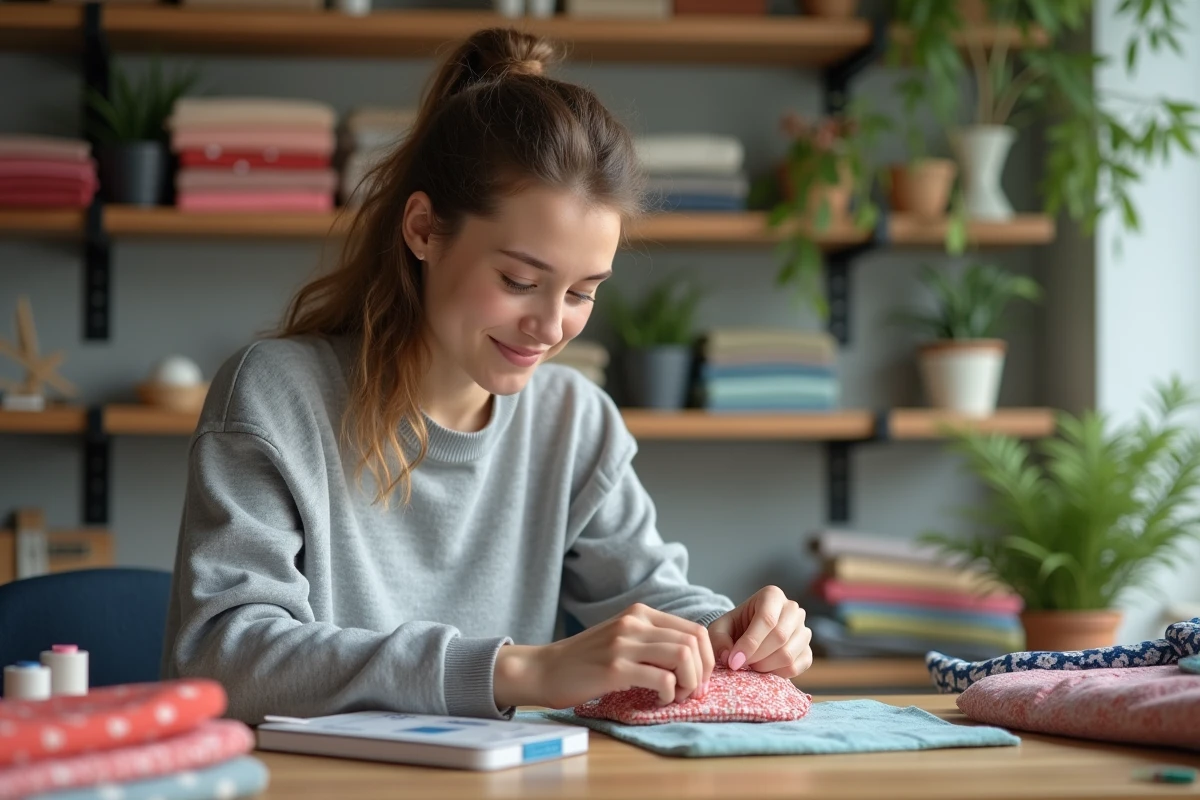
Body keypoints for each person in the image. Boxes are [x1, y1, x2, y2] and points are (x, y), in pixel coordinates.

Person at [161, 27, 813, 724]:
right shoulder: (275, 395)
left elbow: (650, 596)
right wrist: (518, 671)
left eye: (582, 292)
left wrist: (727, 634)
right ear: (423, 229)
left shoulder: (575, 419)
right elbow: (225, 656)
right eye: (519, 281)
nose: (550, 326)